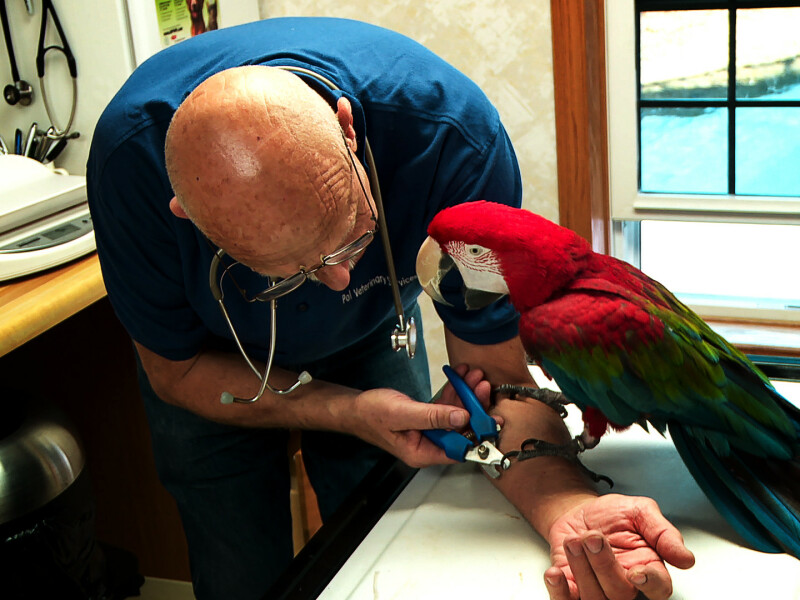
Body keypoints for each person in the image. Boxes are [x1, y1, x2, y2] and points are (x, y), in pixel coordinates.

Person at [87, 17, 693, 600]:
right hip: (213, 358)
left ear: (348, 131)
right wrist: (346, 410)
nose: (338, 280)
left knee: (380, 526)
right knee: (238, 570)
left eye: (351, 237)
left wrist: (570, 509)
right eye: (286, 273)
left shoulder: (450, 136)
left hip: (372, 334)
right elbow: (177, 372)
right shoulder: (131, 168)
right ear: (185, 214)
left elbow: (498, 375)